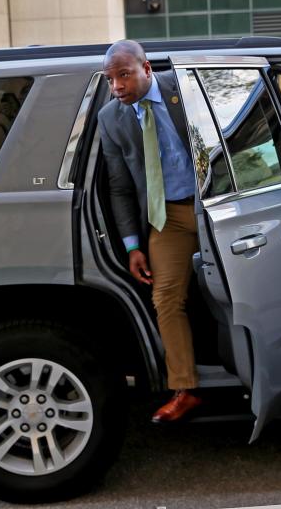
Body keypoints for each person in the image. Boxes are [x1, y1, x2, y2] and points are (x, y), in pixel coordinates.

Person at [97, 40, 202, 423]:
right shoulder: (111, 119)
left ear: (146, 69)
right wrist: (132, 246)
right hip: (167, 217)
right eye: (110, 80)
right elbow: (120, 187)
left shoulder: (186, 90)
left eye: (123, 75)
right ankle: (185, 389)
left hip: (213, 210)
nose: (116, 87)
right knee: (166, 299)